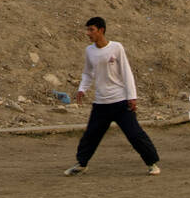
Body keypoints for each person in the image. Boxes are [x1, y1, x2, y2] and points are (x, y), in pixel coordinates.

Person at [64, 17, 160, 176]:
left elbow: (126, 72)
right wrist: (82, 89)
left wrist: (132, 97)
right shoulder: (90, 51)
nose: (88, 33)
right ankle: (82, 164)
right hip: (101, 102)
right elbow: (88, 73)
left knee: (134, 134)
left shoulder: (116, 48)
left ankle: (152, 163)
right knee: (91, 135)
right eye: (87, 30)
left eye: (91, 30)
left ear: (101, 30)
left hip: (120, 101)